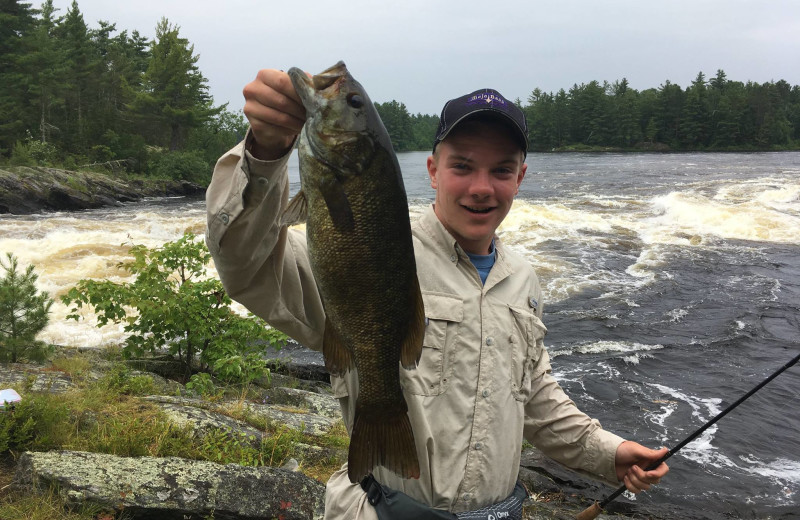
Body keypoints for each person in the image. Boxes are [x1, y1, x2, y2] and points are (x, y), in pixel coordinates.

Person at [205, 68, 669, 520]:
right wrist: (265, 152)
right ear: (432, 169)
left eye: (501, 170)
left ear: (520, 178)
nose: (482, 188)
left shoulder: (522, 277)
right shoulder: (374, 247)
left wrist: (608, 453)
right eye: (462, 166)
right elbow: (248, 267)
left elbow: (531, 394)